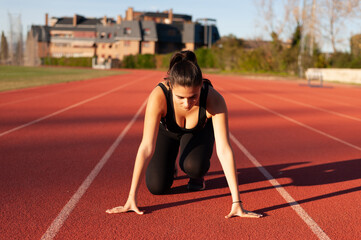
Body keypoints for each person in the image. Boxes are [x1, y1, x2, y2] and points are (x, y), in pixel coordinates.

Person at [106, 50, 262, 218]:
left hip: (198, 133)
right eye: (180, 97)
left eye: (193, 97)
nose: (187, 104)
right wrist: (131, 198)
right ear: (170, 86)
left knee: (194, 167)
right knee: (157, 187)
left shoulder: (214, 100)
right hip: (167, 133)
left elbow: (224, 149)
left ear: (201, 86)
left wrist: (237, 203)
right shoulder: (158, 96)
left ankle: (196, 177)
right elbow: (146, 146)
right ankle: (170, 163)